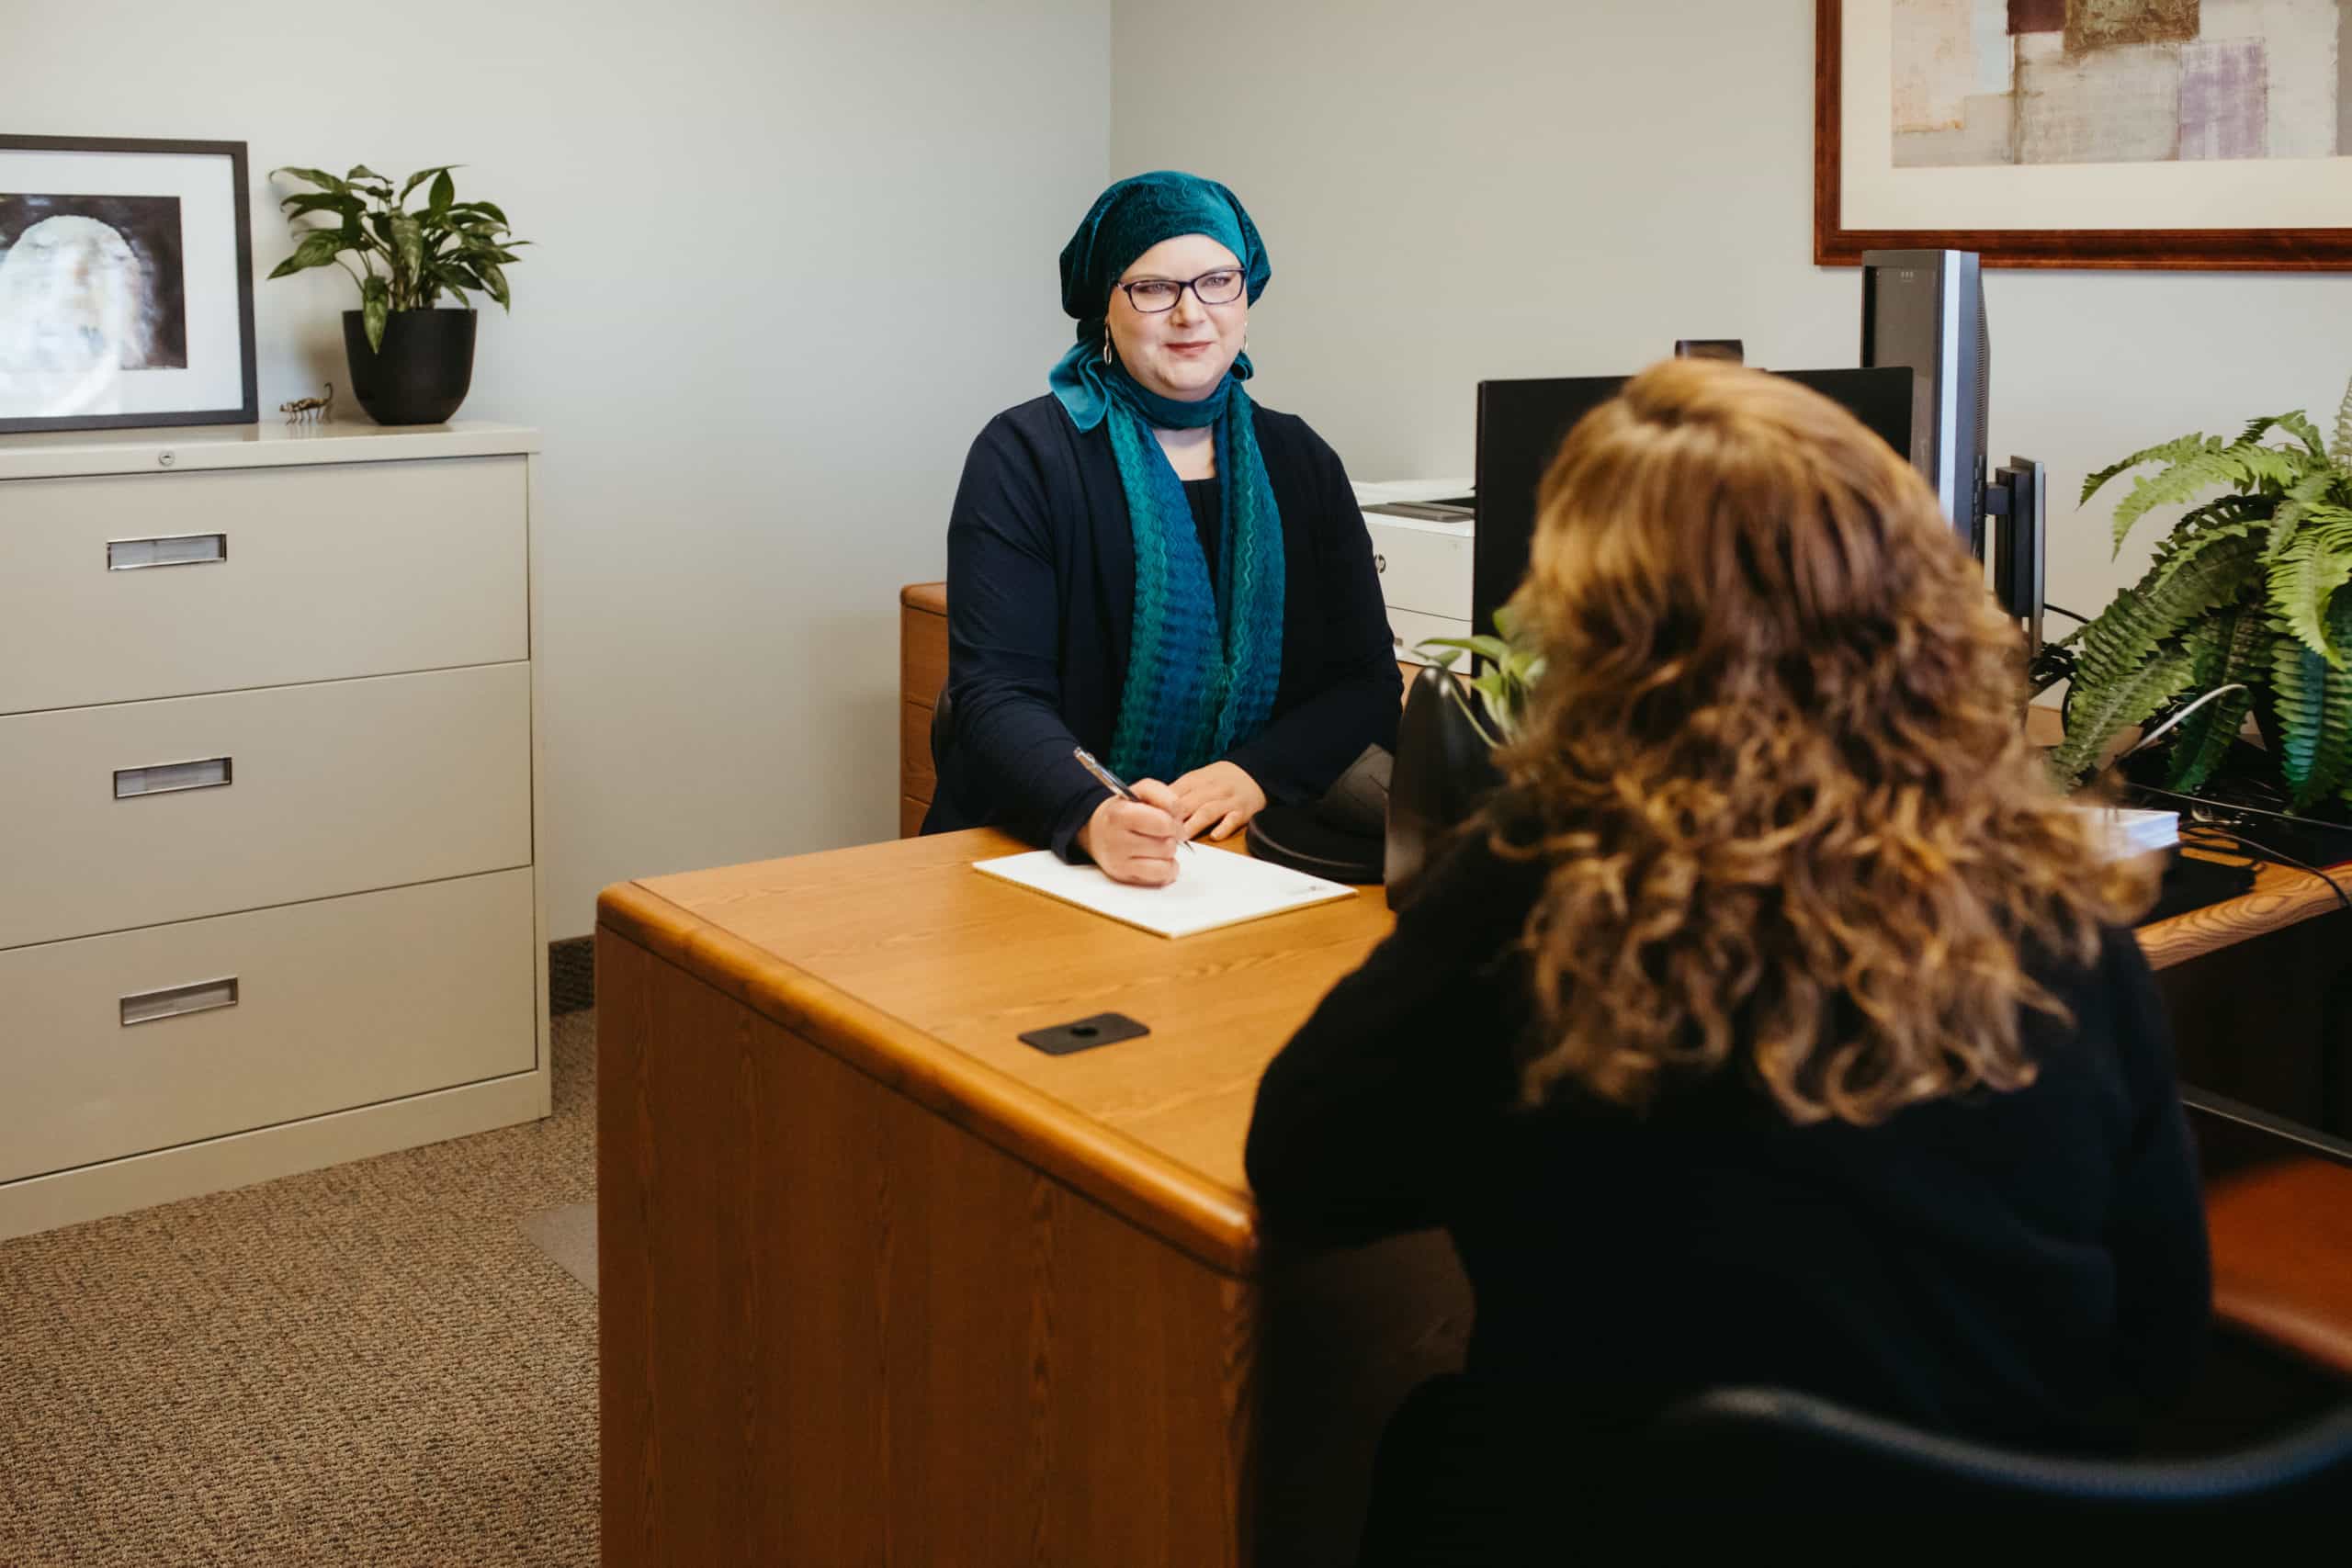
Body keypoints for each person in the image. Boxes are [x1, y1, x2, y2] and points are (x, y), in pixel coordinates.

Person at [1244, 360, 2211, 1539]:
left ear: (1605, 627)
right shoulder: (2048, 898)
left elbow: (1304, 1167)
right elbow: (2161, 1338)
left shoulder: (1543, 887)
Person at [923, 172, 1399, 885]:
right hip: (1036, 843)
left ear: (1246, 293)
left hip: (1233, 852)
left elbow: (1365, 682)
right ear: (1105, 305)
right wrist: (1093, 811)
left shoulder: (1302, 461)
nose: (1192, 314)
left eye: (1217, 282)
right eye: (1154, 288)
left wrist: (1252, 773)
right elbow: (995, 696)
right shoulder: (1023, 454)